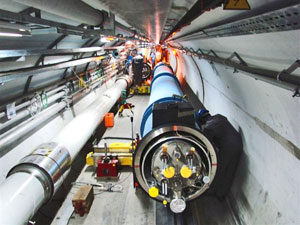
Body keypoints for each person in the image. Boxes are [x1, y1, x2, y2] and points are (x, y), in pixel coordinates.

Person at [196, 108, 243, 199]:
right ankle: (222, 193)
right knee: (230, 171)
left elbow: (206, 145)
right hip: (238, 144)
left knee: (219, 170)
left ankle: (212, 191)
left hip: (228, 148)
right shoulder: (219, 117)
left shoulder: (208, 127)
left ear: (201, 120)